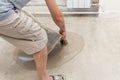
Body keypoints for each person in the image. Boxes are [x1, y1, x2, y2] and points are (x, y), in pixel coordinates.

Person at [0, 0, 66, 80]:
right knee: (40, 37)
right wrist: (63, 30)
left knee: (25, 16)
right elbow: (58, 17)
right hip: (3, 13)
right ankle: (43, 78)